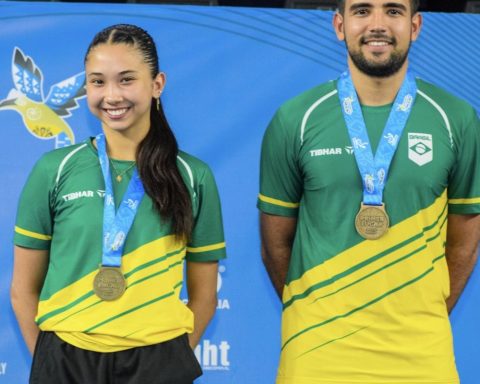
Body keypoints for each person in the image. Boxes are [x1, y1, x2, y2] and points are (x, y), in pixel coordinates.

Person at [258, 1, 480, 383]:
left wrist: (420, 315)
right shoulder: (295, 118)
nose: (377, 24)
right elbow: (276, 243)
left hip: (421, 355)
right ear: (340, 25)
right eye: (363, 11)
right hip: (316, 352)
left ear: (416, 25)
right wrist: (314, 313)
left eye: (393, 11)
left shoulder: (455, 119)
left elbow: (463, 242)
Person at [10, 24, 226, 384]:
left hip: (157, 361)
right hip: (64, 357)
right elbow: (22, 289)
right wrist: (50, 361)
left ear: (157, 85)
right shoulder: (54, 169)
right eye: (98, 82)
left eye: (126, 80)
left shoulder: (193, 176)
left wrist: (168, 364)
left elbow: (205, 297)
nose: (111, 95)